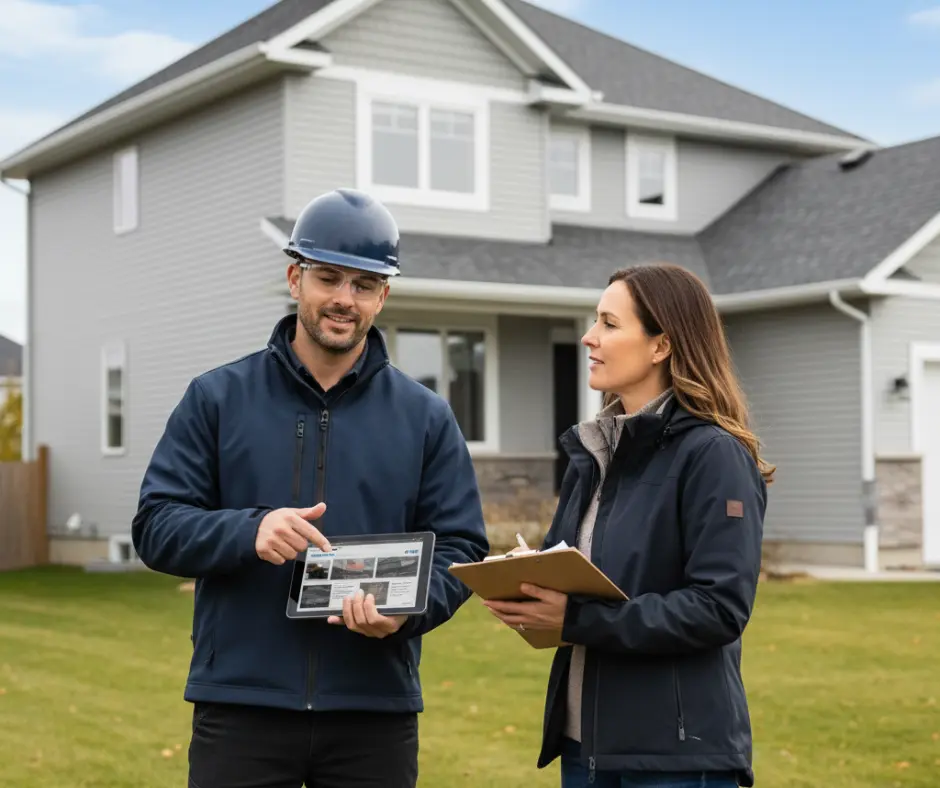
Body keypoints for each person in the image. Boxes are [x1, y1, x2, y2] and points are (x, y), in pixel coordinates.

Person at [131, 187, 489, 788]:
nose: (344, 300)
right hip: (243, 705)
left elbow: (461, 548)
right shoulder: (217, 398)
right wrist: (250, 530)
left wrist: (404, 614)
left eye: (364, 284)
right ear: (295, 278)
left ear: (384, 295)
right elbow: (156, 525)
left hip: (373, 711)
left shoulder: (426, 417)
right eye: (329, 278)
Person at [483, 263, 772, 788]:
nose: (589, 338)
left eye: (609, 324)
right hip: (585, 747)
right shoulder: (594, 452)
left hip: (674, 761)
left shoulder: (714, 455)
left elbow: (718, 609)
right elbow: (575, 576)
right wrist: (526, 583)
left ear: (661, 345)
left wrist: (575, 619)